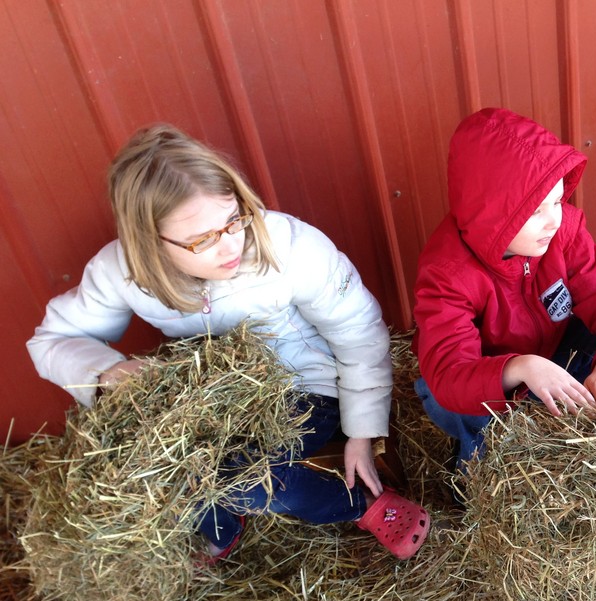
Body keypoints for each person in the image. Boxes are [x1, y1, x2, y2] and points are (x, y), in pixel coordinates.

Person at [27, 124, 429, 562]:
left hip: (307, 388)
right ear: (149, 242)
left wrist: (361, 432)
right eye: (201, 239)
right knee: (170, 461)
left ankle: (361, 505)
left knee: (237, 478)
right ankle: (222, 525)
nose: (228, 245)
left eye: (233, 219)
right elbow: (52, 340)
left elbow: (359, 331)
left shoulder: (288, 246)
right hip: (213, 399)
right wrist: (105, 372)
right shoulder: (122, 271)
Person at [413, 107, 596, 469]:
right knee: (447, 398)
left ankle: (568, 407)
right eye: (536, 211)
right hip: (495, 374)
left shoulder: (562, 233)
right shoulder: (448, 273)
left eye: (557, 201)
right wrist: (523, 367)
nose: (553, 220)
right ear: (494, 215)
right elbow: (449, 371)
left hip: (554, 347)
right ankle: (475, 464)